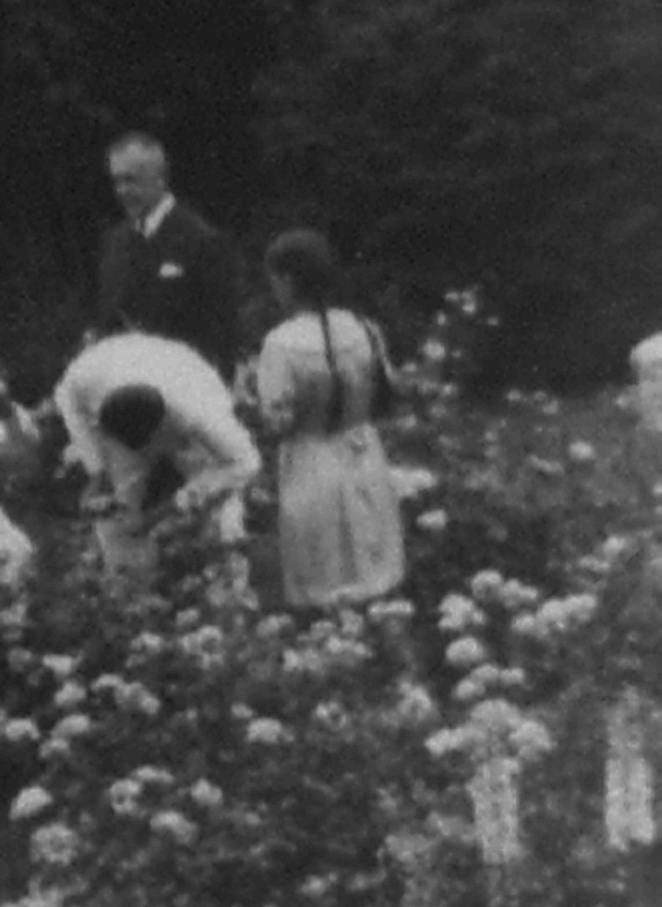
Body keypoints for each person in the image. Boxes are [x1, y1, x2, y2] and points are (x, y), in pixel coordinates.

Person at [253, 230, 405, 606]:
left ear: (288, 280)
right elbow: (387, 389)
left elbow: (277, 421)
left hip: (312, 461)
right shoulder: (363, 328)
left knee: (324, 570)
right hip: (364, 452)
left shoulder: (281, 343)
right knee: (372, 560)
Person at [52, 329, 259, 590]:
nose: (143, 454)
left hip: (185, 383)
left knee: (221, 517)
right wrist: (97, 472)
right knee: (118, 515)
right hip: (119, 386)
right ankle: (129, 594)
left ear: (161, 429)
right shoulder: (80, 382)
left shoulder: (201, 411)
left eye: (145, 446)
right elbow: (71, 406)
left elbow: (246, 464)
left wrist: (164, 511)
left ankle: (229, 596)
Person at [94, 132, 241, 381]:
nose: (122, 191)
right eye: (116, 181)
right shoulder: (114, 242)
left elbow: (222, 336)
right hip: (125, 387)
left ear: (160, 178)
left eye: (131, 180)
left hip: (183, 386)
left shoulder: (201, 240)